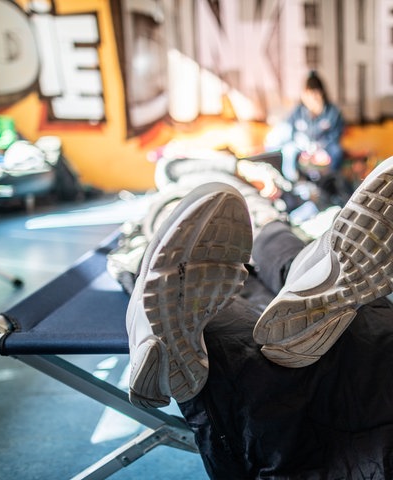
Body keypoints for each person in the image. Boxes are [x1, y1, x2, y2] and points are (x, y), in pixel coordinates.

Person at [124, 156, 393, 478]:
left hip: (222, 215)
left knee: (200, 281)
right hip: (205, 211)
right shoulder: (195, 169)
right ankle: (311, 271)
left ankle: (165, 332)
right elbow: (173, 164)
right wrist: (241, 168)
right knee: (272, 247)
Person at [266, 71, 345, 184]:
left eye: (314, 94)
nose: (311, 98)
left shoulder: (332, 112)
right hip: (302, 146)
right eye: (307, 94)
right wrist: (305, 146)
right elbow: (289, 129)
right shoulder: (298, 111)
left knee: (337, 151)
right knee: (288, 150)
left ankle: (331, 182)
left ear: (321, 93)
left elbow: (335, 135)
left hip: (324, 146)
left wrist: (320, 148)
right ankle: (291, 182)